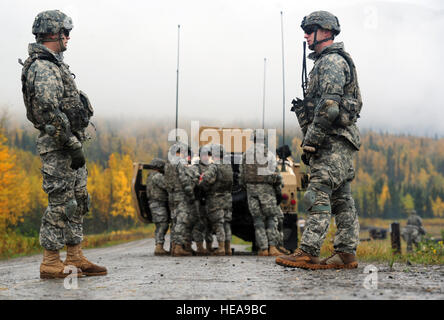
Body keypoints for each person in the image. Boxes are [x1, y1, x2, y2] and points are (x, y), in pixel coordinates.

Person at [21, 10, 106, 278]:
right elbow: (48, 112)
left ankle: (75, 256)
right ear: (53, 33)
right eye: (65, 33)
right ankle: (50, 261)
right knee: (60, 202)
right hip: (58, 147)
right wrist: (71, 144)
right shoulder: (43, 67)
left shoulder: (54, 64)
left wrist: (74, 143)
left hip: (69, 144)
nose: (68, 38)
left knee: (79, 200)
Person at [276, 11, 362, 270]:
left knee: (318, 192)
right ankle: (346, 254)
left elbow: (330, 106)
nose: (305, 35)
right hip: (341, 140)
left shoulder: (331, 62)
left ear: (325, 31)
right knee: (342, 198)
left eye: (310, 29)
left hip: (331, 140)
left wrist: (311, 140)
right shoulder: (331, 61)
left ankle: (309, 251)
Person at [240, 130, 282, 257]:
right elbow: (276, 176)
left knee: (258, 221)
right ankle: (273, 247)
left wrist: (249, 187)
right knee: (271, 219)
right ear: (263, 139)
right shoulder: (268, 154)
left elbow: (241, 177)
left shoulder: (245, 155)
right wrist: (278, 191)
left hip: (251, 192)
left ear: (252, 139)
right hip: (267, 192)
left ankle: (263, 249)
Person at [199, 144, 233, 256]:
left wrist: (202, 186)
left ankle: (221, 248)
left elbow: (206, 180)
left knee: (218, 224)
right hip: (227, 199)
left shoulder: (214, 167)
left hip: (215, 199)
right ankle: (228, 248)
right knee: (226, 224)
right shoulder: (228, 166)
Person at [164, 142, 195, 256]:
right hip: (180, 195)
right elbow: (184, 180)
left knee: (175, 221)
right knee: (181, 221)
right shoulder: (179, 163)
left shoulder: (168, 164)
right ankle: (178, 247)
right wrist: (191, 195)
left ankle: (173, 246)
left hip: (171, 195)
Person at [146, 158, 170, 256]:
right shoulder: (157, 176)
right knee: (163, 225)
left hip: (155, 203)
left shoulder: (150, 176)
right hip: (158, 203)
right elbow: (167, 185)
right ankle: (159, 247)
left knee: (160, 225)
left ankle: (159, 246)